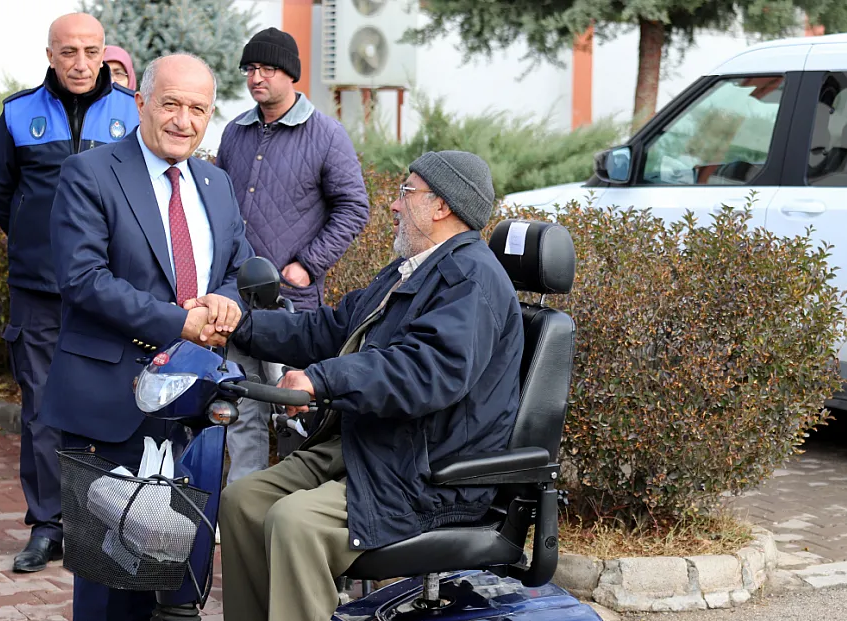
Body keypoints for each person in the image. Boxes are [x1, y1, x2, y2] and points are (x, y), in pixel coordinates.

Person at [219, 150, 524, 621]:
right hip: (372, 446)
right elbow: (327, 328)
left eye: (407, 192)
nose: (395, 204)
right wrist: (237, 326)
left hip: (427, 473)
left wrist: (321, 379)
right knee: (243, 501)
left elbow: (425, 372)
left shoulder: (471, 280)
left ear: (441, 206)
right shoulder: (411, 271)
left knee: (294, 522)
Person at [42, 52, 255, 621]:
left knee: (177, 576)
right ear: (141, 103)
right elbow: (82, 279)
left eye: (198, 109)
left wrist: (225, 303)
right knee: (110, 581)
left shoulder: (216, 182)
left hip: (193, 407)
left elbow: (238, 267)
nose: (184, 121)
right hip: (111, 403)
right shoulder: (91, 173)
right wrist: (176, 322)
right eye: (170, 104)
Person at [0, 12, 139, 574]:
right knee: (41, 409)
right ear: (49, 55)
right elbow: (1, 195)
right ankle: (48, 525)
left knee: (112, 405)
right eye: (68, 51)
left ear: (105, 53)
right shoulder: (18, 113)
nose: (80, 63)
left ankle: (105, 524)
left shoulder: (133, 111)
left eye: (91, 51)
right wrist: (43, 244)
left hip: (110, 289)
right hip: (38, 290)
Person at [216, 27, 369, 481]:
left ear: (290, 74)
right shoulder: (235, 132)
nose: (256, 77)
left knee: (293, 412)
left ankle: (291, 503)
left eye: (266, 68)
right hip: (236, 299)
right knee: (241, 406)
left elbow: (354, 207)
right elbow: (219, 206)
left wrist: (308, 264)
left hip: (290, 306)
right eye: (250, 68)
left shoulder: (326, 135)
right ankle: (241, 502)